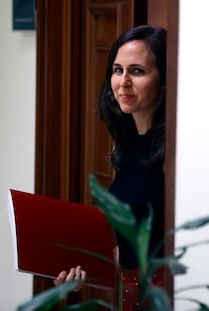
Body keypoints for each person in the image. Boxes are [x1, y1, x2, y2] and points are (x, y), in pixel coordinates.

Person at [55, 25, 167, 310]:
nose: (123, 82)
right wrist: (85, 270)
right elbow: (132, 251)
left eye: (138, 71)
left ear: (164, 79)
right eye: (118, 70)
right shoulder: (126, 144)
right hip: (131, 297)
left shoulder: (176, 154)